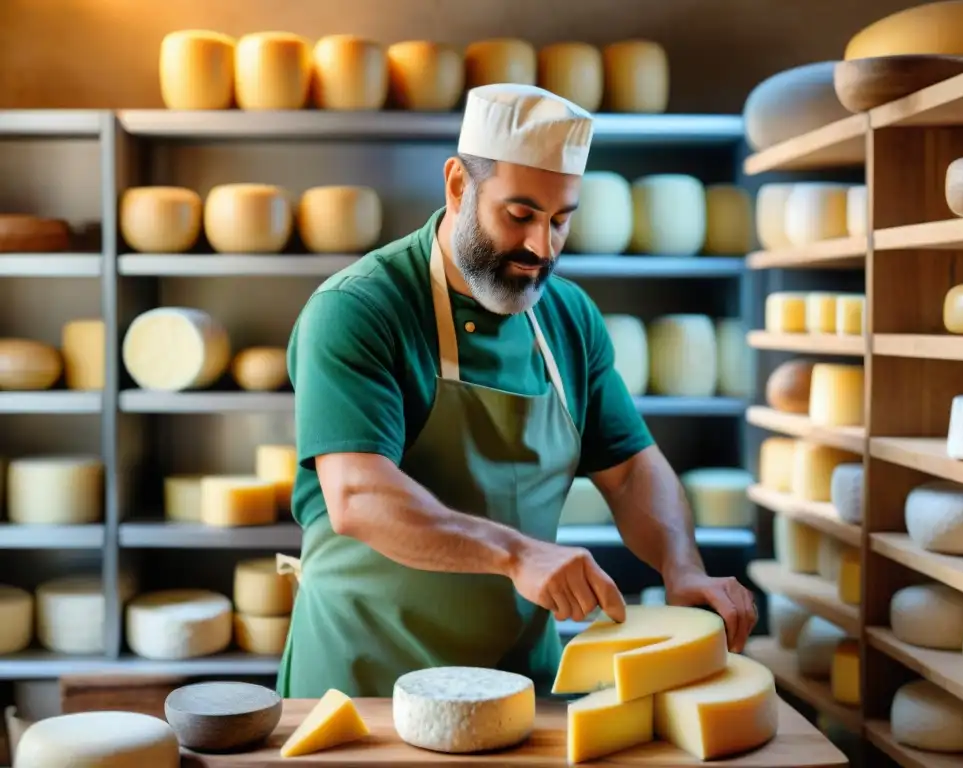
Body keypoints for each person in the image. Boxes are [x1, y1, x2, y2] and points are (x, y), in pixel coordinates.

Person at [276, 82, 757, 700]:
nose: (541, 248)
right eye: (520, 214)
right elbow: (357, 494)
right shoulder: (360, 308)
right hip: (364, 686)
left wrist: (681, 565)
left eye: (561, 221)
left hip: (518, 686)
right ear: (457, 186)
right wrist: (516, 555)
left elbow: (632, 470)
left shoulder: (570, 318)